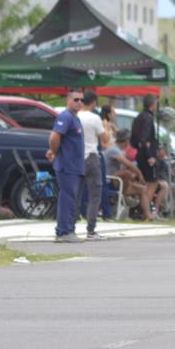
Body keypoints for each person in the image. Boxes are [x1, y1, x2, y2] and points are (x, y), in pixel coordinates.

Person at [46, 90, 85, 242]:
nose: (79, 102)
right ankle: (64, 232)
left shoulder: (75, 118)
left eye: (82, 100)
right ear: (68, 100)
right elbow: (55, 136)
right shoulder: (66, 116)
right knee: (67, 198)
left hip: (75, 166)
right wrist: (54, 151)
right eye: (76, 99)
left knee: (72, 199)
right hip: (67, 165)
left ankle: (69, 230)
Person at [77, 90, 108, 240]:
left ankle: (70, 226)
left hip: (77, 158)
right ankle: (91, 230)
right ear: (94, 103)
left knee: (75, 193)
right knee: (95, 193)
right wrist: (106, 127)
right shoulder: (95, 118)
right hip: (91, 156)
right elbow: (105, 139)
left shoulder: (75, 116)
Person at [104, 129, 153, 220]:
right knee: (127, 173)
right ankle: (126, 197)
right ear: (126, 140)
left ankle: (147, 215)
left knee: (142, 189)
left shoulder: (120, 151)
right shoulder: (114, 150)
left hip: (118, 181)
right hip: (109, 180)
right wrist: (140, 174)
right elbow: (128, 164)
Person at [131, 94, 166, 217]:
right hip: (147, 156)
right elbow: (144, 139)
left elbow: (134, 140)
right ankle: (144, 211)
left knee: (145, 183)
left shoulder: (138, 117)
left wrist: (140, 148)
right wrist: (150, 155)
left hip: (140, 154)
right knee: (152, 183)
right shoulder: (148, 118)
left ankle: (142, 210)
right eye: (156, 103)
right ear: (153, 105)